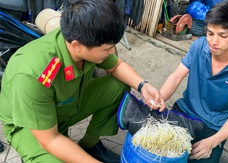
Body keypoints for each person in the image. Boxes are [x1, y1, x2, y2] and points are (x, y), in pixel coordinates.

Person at [0, 0, 165, 163]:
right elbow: (49, 139)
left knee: (118, 85)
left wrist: (143, 86)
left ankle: (90, 145)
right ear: (77, 45)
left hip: (65, 104)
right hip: (31, 126)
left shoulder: (82, 39)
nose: (112, 52)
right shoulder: (33, 75)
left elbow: (116, 66)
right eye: (107, 49)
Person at [160, 1, 228, 163]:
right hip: (184, 112)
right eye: (210, 33)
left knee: (200, 158)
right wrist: (159, 101)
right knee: (159, 153)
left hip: (213, 128)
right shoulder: (199, 46)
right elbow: (177, 76)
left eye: (223, 35)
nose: (213, 41)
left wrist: (213, 141)